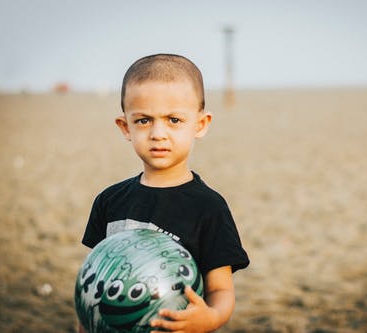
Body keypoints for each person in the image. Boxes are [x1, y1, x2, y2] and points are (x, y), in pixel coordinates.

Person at [78, 54, 249, 333]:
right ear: (125, 127)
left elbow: (221, 290)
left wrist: (211, 317)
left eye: (173, 120)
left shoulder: (209, 207)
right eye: (144, 120)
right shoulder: (108, 201)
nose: (158, 133)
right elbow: (93, 284)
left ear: (200, 124)